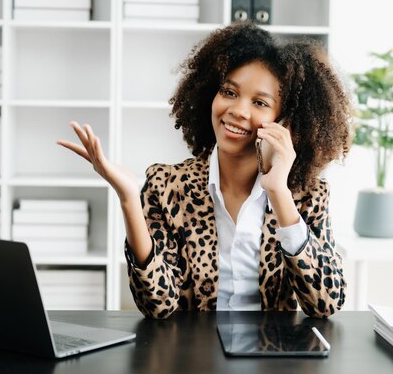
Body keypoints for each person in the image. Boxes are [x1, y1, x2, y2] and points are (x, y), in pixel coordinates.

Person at [58, 21, 352, 319]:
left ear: (287, 122)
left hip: (271, 359)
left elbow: (325, 303)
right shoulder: (166, 185)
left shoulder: (308, 194)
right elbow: (157, 305)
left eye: (260, 102)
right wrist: (129, 199)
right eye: (229, 92)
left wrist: (279, 191)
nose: (237, 110)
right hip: (192, 356)